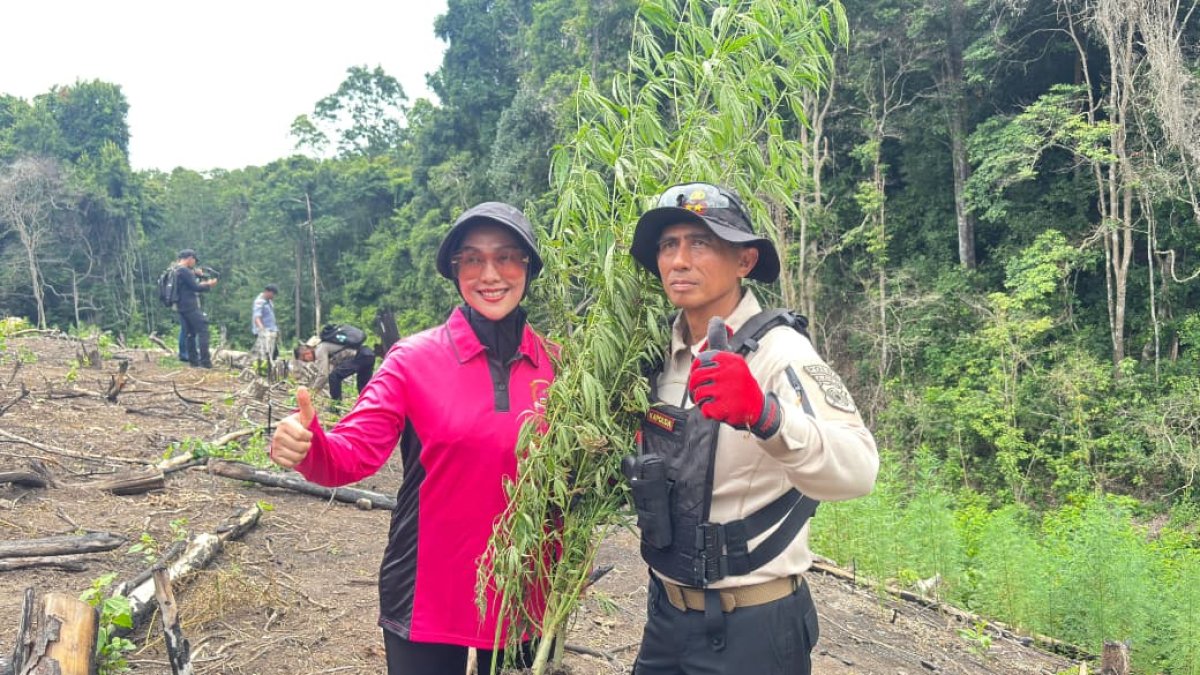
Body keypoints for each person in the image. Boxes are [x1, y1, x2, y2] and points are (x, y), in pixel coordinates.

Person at [269, 202, 554, 674]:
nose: (490, 274)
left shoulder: (560, 367)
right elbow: (349, 456)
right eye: (473, 259)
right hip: (427, 588)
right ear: (455, 270)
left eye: (506, 256)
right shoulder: (412, 360)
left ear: (528, 267)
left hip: (526, 589)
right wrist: (309, 445)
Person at [626, 183, 880, 675]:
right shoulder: (659, 356)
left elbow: (860, 469)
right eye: (668, 245)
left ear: (744, 260)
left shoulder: (780, 352)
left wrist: (766, 415)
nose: (679, 260)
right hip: (665, 617)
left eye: (700, 243)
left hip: (752, 629)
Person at [293, 333, 375, 403]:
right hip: (368, 354)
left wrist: (312, 392)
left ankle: (336, 406)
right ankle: (369, 407)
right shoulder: (326, 348)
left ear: (306, 353)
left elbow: (323, 375)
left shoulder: (319, 349)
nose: (308, 361)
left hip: (361, 356)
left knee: (334, 377)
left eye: (304, 359)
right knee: (363, 388)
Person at [174, 249, 217, 369]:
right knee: (203, 329)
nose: (194, 263)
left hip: (180, 306)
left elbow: (188, 284)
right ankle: (205, 362)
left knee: (190, 333)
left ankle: (194, 361)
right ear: (190, 258)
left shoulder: (176, 270)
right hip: (190, 306)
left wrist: (198, 275)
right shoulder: (184, 270)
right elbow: (195, 287)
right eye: (194, 260)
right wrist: (209, 285)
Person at [251, 284, 279, 361]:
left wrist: (276, 329)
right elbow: (257, 317)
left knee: (274, 353)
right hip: (264, 333)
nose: (273, 296)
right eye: (272, 294)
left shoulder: (269, 302)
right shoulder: (259, 301)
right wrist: (262, 330)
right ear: (267, 292)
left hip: (271, 331)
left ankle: (271, 366)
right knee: (264, 353)